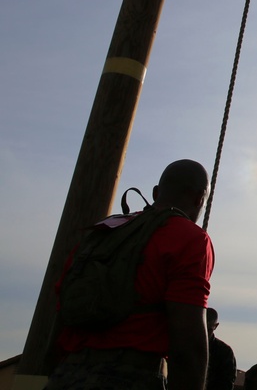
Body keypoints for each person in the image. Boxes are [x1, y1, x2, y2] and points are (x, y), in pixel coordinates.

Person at [47, 159, 214, 390]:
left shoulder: (101, 232)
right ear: (199, 199)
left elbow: (61, 313)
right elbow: (188, 343)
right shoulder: (190, 238)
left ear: (156, 193)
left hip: (66, 376)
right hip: (129, 377)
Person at [206, 307, 237, 390]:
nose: (205, 333)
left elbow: (227, 382)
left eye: (208, 330)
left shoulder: (225, 352)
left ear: (216, 326)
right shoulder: (189, 347)